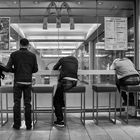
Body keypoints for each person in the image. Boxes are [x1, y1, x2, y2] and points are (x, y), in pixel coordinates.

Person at [6, 38, 38, 130]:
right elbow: (35, 69)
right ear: (28, 45)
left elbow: (8, 68)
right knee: (27, 104)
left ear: (20, 44)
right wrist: (28, 70)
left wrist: (15, 70)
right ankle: (28, 125)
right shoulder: (32, 55)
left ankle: (17, 125)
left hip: (18, 82)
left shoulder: (14, 54)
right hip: (28, 82)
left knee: (17, 103)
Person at [53, 55, 78, 127]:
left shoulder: (62, 59)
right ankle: (62, 106)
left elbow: (55, 68)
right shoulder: (75, 60)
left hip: (66, 81)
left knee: (56, 100)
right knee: (60, 95)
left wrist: (60, 69)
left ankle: (60, 120)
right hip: (74, 82)